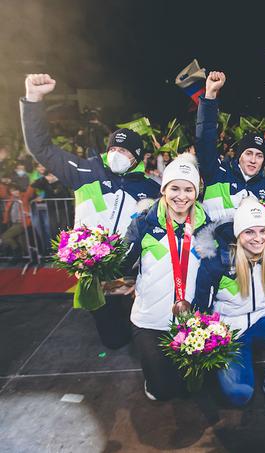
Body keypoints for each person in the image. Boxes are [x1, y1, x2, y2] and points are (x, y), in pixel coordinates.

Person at [21, 73, 160, 349]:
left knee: (142, 334)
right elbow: (42, 148)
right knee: (115, 341)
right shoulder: (85, 170)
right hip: (96, 276)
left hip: (134, 276)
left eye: (127, 151)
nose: (119, 154)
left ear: (138, 158)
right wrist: (34, 100)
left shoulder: (150, 188)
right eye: (115, 148)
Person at [193, 197, 265, 418]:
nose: (258, 238)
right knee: (239, 395)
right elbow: (201, 307)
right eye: (250, 232)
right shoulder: (218, 262)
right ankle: (232, 365)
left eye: (263, 231)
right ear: (238, 233)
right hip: (230, 331)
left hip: (261, 321)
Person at [122, 154, 209, 400]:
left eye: (188, 189)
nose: (181, 196)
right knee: (162, 390)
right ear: (163, 189)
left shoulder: (205, 226)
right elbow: (122, 265)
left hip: (190, 322)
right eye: (175, 188)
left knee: (191, 387)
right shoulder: (144, 224)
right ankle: (154, 380)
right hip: (151, 320)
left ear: (196, 192)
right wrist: (99, 259)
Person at [195, 72, 265, 222]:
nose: (253, 160)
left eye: (259, 156)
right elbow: (204, 139)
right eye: (248, 153)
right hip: (214, 245)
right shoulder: (217, 173)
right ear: (239, 155)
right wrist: (210, 95)